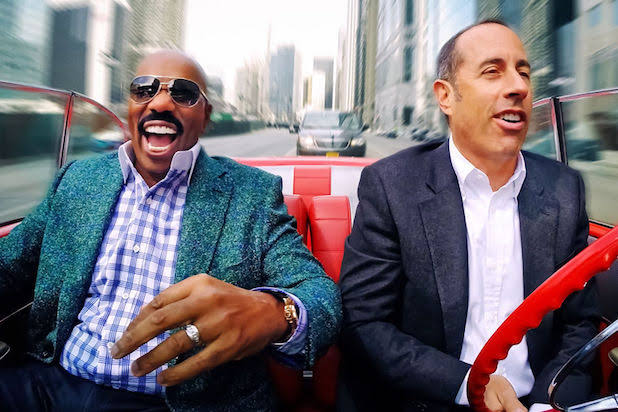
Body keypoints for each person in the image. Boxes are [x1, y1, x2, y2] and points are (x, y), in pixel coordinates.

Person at [0, 50, 341, 411]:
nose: (160, 102)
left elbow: (320, 294)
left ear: (206, 116)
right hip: (49, 381)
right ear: (130, 107)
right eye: (143, 89)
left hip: (181, 402)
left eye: (183, 93)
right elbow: (9, 266)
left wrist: (274, 313)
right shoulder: (78, 179)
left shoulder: (252, 194)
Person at [338, 20, 599, 412]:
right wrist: (466, 385)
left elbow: (580, 323)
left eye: (524, 72)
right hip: (431, 399)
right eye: (493, 71)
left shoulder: (564, 189)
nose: (519, 87)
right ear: (445, 96)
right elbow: (364, 323)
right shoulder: (392, 186)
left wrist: (548, 402)